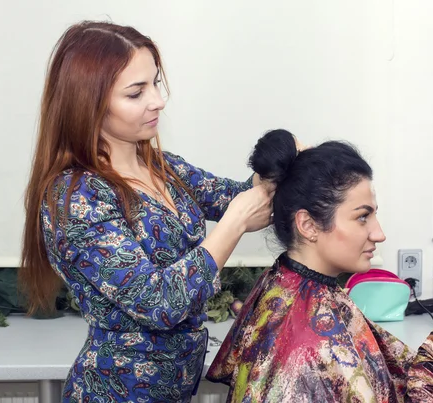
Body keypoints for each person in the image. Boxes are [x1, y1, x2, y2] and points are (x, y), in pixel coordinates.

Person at [19, 21, 284, 402]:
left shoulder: (164, 167)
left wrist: (286, 158)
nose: (157, 100)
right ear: (87, 103)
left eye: (155, 83)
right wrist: (235, 223)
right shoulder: (76, 196)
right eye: (136, 92)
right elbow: (159, 302)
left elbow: (245, 198)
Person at [206, 130, 433, 402]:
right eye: (363, 216)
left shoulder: (292, 285)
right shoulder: (309, 348)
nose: (379, 233)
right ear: (307, 225)